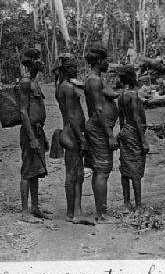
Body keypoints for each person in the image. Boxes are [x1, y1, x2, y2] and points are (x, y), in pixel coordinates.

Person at [55, 53, 94, 225]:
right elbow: (71, 116)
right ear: (65, 69)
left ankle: (74, 211)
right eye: (72, 68)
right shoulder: (67, 88)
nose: (76, 70)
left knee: (76, 173)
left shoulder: (64, 86)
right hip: (72, 132)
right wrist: (82, 138)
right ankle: (74, 212)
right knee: (74, 174)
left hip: (71, 132)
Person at [84, 44, 119, 223]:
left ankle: (100, 211)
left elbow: (107, 95)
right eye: (106, 60)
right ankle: (102, 214)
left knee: (100, 171)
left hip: (99, 128)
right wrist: (110, 135)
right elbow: (98, 109)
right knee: (102, 172)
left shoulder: (96, 79)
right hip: (99, 129)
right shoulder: (94, 80)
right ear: (99, 61)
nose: (108, 63)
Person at [18, 48, 51, 223]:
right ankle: (25, 212)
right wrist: (31, 137)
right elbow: (23, 111)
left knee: (35, 171)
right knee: (27, 171)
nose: (43, 62)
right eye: (39, 59)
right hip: (29, 132)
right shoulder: (25, 82)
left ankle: (35, 207)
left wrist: (41, 135)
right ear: (32, 61)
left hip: (37, 131)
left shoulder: (34, 82)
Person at [117, 65, 149, 214]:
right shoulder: (133, 95)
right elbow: (136, 117)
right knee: (135, 169)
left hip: (124, 133)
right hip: (134, 134)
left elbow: (122, 119)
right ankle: (138, 206)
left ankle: (126, 203)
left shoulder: (122, 96)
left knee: (125, 168)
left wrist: (122, 134)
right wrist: (143, 140)